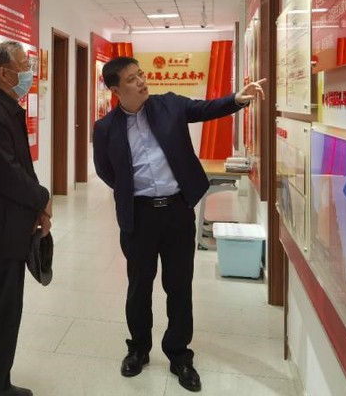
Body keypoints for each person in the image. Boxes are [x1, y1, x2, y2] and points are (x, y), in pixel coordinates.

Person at [92, 56, 265, 393]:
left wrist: (236, 99)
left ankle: (179, 353)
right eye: (131, 79)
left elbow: (204, 109)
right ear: (115, 90)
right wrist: (130, 191)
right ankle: (138, 349)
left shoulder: (168, 105)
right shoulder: (106, 128)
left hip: (177, 211)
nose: (141, 81)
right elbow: (105, 169)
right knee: (139, 286)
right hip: (138, 216)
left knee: (179, 285)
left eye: (141, 74)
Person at [0, 41, 51, 396]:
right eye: (24, 66)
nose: (30, 73)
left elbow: (21, 167)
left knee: (5, 311)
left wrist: (38, 204)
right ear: (4, 73)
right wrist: (42, 198)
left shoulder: (5, 106)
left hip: (11, 225)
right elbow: (5, 171)